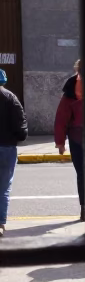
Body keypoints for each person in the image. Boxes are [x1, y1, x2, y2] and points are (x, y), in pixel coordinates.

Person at [54, 62, 85, 220]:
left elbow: (61, 117)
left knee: (82, 173)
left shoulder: (71, 87)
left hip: (77, 137)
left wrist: (60, 142)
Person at [0, 69, 28, 238]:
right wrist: (19, 137)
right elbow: (21, 124)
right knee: (3, 188)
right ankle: (0, 223)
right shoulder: (11, 98)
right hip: (7, 147)